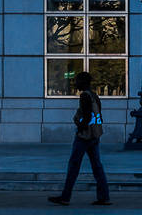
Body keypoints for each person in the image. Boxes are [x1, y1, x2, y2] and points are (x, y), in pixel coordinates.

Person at [48, 71, 111, 206]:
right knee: (97, 167)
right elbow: (98, 115)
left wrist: (80, 128)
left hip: (84, 136)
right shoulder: (95, 95)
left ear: (82, 82)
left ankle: (65, 197)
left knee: (73, 166)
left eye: (77, 81)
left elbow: (87, 117)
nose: (75, 83)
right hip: (95, 135)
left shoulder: (84, 96)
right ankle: (104, 196)